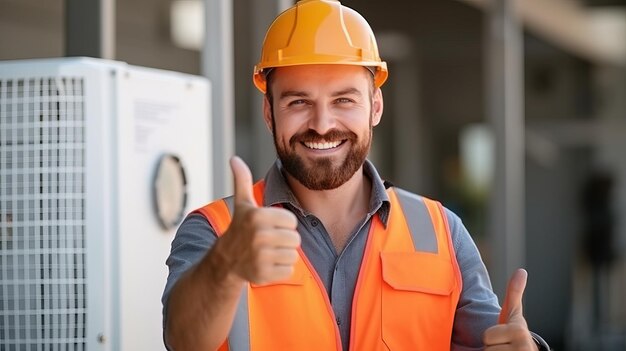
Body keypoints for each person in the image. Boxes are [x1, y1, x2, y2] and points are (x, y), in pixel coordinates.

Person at [162, 0, 550, 350]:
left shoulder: (441, 233)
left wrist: (523, 348)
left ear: (375, 106)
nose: (322, 124)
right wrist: (225, 266)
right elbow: (183, 339)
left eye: (343, 100)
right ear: (269, 113)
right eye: (298, 102)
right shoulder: (216, 232)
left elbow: (496, 341)